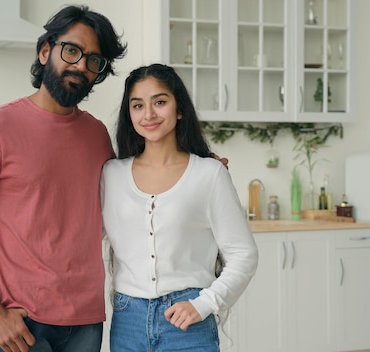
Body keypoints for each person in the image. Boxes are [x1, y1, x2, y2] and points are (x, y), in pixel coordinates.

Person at [0, 5, 127, 352]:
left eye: (94, 61)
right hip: (21, 322)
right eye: (72, 50)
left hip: (87, 320)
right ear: (45, 50)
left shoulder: (96, 135)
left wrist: (197, 164)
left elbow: (129, 196)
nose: (81, 65)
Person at [100, 63, 258, 351]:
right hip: (127, 322)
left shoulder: (209, 174)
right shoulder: (111, 175)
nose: (148, 114)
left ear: (179, 109)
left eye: (160, 102)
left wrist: (205, 304)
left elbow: (243, 254)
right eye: (137, 105)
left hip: (188, 322)